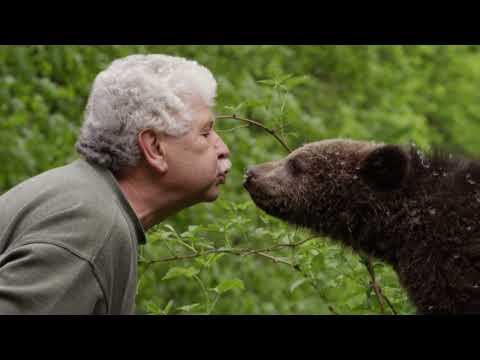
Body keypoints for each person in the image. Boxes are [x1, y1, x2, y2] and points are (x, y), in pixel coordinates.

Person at [0, 54, 231, 314]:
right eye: (205, 132)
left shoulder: (86, 199)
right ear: (155, 147)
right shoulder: (89, 228)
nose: (223, 148)